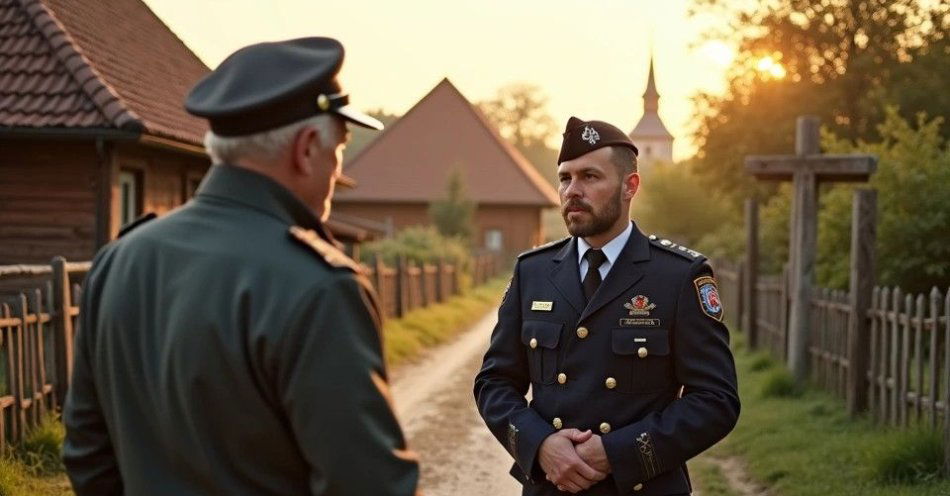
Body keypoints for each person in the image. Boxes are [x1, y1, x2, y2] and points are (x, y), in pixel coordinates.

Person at [62, 37, 420, 496]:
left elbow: (88, 455)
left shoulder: (120, 259)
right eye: (339, 149)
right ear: (307, 148)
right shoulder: (317, 286)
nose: (336, 170)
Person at [474, 116, 740, 495]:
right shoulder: (532, 272)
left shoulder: (679, 276)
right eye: (565, 178)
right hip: (551, 488)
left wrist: (618, 453)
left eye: (590, 177)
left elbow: (716, 401)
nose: (571, 191)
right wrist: (541, 445)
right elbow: (494, 382)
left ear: (630, 186)